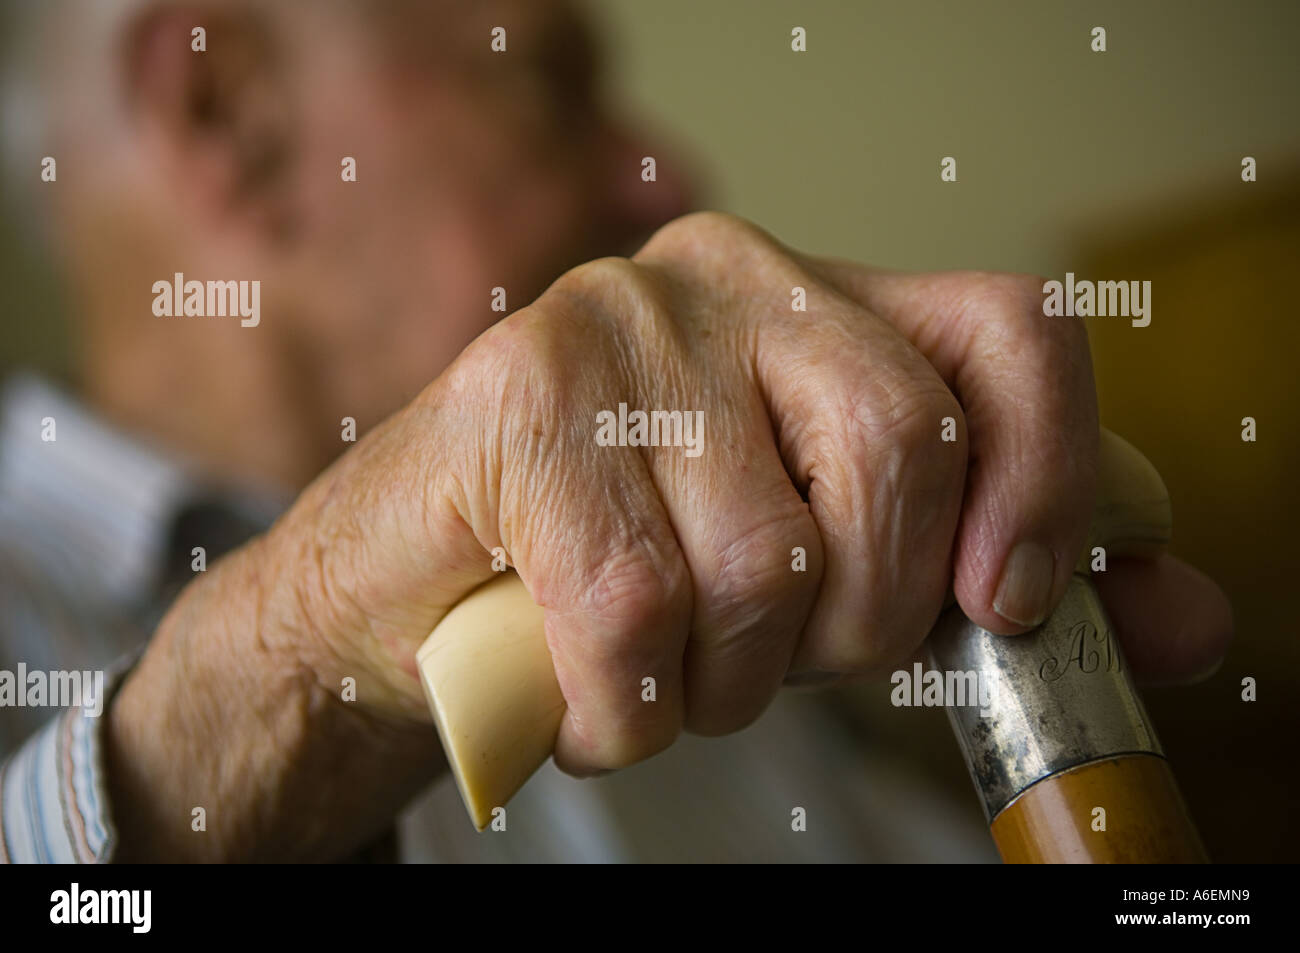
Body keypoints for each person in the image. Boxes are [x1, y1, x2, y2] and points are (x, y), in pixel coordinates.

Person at [0, 0, 1232, 862]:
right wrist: (294, 670)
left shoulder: (684, 584)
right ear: (229, 111)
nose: (663, 173)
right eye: (550, 75)